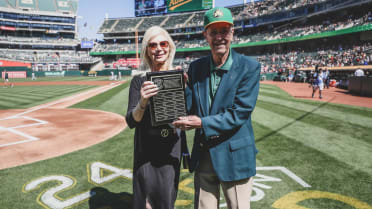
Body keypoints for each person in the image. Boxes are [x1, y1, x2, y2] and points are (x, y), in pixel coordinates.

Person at [173, 7, 260, 209]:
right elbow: (191, 107)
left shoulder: (249, 67)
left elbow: (239, 114)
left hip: (234, 156)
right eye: (213, 32)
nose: (219, 37)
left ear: (232, 33)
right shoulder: (196, 67)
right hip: (204, 155)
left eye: (224, 31)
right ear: (205, 35)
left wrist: (201, 122)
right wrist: (183, 88)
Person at [125, 26, 185, 209]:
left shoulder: (180, 76)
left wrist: (186, 88)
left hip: (170, 151)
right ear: (147, 50)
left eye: (163, 43)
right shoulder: (139, 81)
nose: (159, 48)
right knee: (145, 204)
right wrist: (142, 101)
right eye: (153, 45)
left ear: (170, 47)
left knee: (167, 202)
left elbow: (190, 113)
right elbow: (130, 121)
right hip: (146, 153)